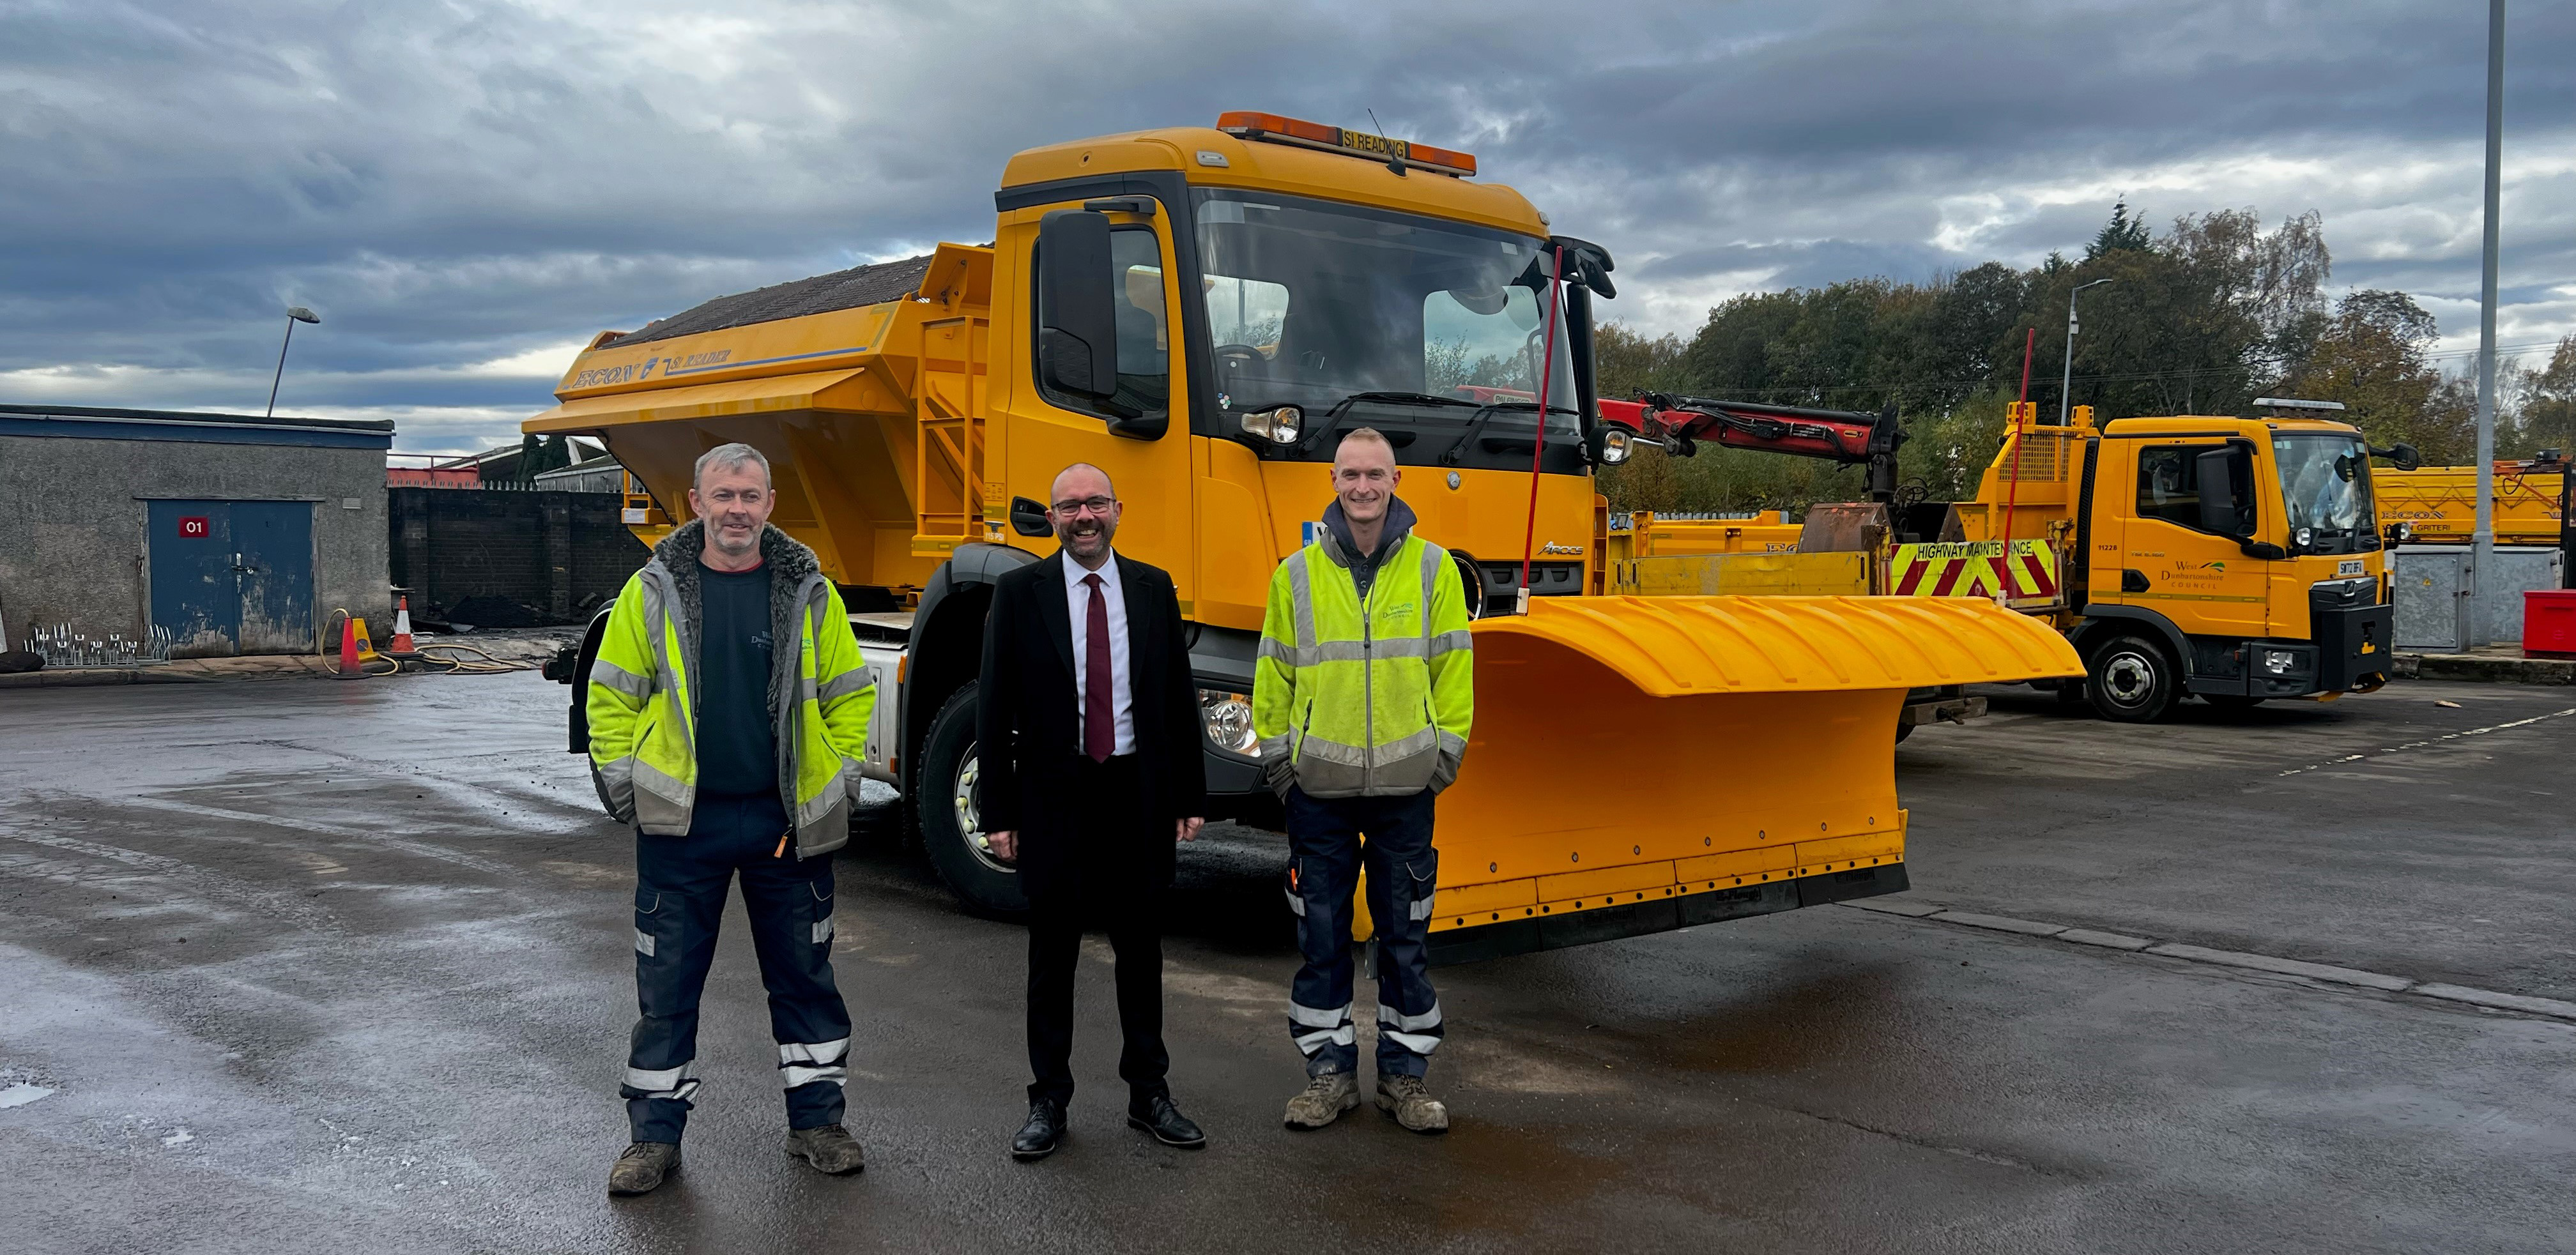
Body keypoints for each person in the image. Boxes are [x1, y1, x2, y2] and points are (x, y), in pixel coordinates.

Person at [586, 443, 876, 1196]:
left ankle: (817, 1124)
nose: (737, 509)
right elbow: (610, 698)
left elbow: (851, 696)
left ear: (770, 504)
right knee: (668, 987)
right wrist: (628, 790)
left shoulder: (812, 593)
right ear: (696, 503)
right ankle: (653, 1140)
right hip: (684, 829)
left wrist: (834, 781)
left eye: (750, 495)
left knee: (805, 978)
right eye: (724, 496)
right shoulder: (652, 594)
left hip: (787, 826)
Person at [977, 462, 1209, 1160]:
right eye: (1070, 506)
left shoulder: (1151, 587)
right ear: (1051, 518)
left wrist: (1189, 796)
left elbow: (1175, 695)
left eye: (1096, 503)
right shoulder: (1020, 594)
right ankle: (1048, 1100)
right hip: (1055, 796)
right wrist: (999, 811)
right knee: (1053, 955)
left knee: (1141, 951)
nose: (1084, 516)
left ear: (1118, 510)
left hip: (1136, 792)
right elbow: (994, 708)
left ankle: (1149, 1094)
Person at [1253, 427, 1473, 1135]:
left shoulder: (1436, 571)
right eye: (1351, 474)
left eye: (1375, 474)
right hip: (1317, 792)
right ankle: (1329, 1077)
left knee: (1404, 941)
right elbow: (1273, 678)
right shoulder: (1295, 575)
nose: (1363, 487)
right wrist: (1285, 767)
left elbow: (1456, 674)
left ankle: (1405, 1082)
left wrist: (1443, 759)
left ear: (1396, 480)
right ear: (1335, 480)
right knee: (1321, 937)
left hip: (1407, 791)